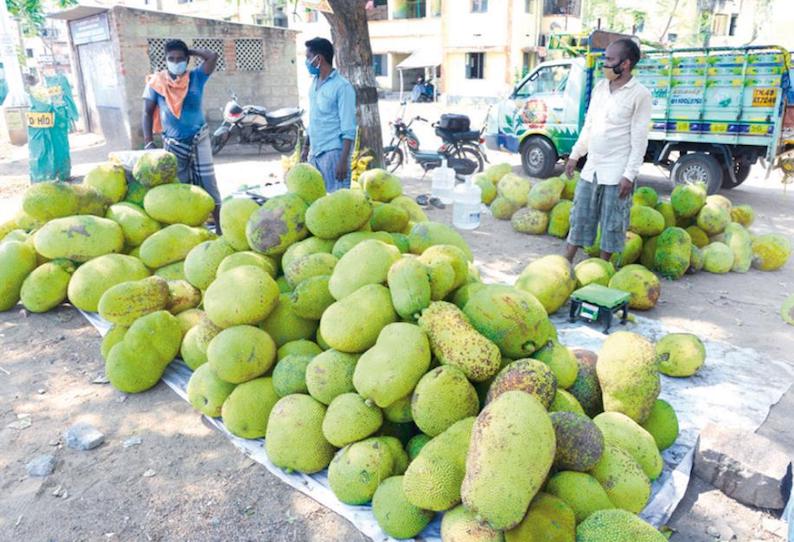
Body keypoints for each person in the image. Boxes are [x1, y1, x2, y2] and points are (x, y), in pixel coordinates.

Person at [564, 38, 652, 263]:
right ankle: (566, 262)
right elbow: (589, 125)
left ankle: (603, 267)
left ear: (625, 64)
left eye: (610, 59)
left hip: (617, 172)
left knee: (612, 223)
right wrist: (575, 155)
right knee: (580, 216)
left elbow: (639, 138)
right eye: (605, 58)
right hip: (592, 167)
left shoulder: (640, 94)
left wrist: (629, 175)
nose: (605, 63)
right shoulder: (600, 88)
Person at [142, 39, 222, 229]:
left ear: (186, 60)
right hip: (173, 143)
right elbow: (146, 112)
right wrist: (148, 142)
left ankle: (220, 228)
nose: (176, 62)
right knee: (181, 187)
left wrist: (190, 51)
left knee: (209, 184)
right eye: (171, 58)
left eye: (180, 58)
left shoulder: (196, 77)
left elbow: (213, 56)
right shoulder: (156, 82)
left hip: (199, 139)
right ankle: (190, 230)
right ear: (165, 59)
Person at [300, 37, 357, 192]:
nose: (306, 62)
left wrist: (343, 161)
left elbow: (349, 129)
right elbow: (314, 119)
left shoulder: (342, 87)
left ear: (318, 59)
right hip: (315, 153)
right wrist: (306, 147)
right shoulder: (314, 84)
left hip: (334, 154)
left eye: (308, 58)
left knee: (336, 204)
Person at [25, 72, 76, 183]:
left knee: (55, 147)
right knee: (44, 148)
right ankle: (47, 175)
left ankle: (54, 174)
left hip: (53, 120)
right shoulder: (37, 93)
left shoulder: (42, 92)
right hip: (47, 121)